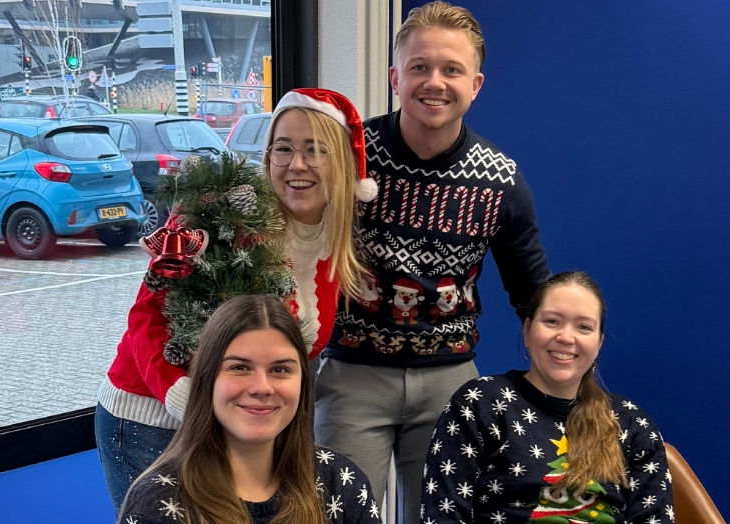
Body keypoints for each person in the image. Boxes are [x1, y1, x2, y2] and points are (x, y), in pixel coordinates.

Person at [315, 2, 551, 522]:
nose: (434, 82)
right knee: (337, 514)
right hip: (352, 374)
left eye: (452, 70)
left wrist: (560, 373)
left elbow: (532, 292)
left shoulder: (501, 179)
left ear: (476, 85)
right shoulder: (347, 156)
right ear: (395, 77)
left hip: (450, 378)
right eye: (419, 67)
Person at [96, 88, 376, 512]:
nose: (298, 164)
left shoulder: (335, 247)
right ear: (268, 157)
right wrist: (181, 393)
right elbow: (146, 317)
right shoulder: (220, 218)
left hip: (244, 429)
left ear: (341, 163)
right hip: (152, 418)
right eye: (284, 148)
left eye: (315, 150)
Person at [420, 271, 674, 524]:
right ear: (527, 330)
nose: (566, 337)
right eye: (552, 321)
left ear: (598, 344)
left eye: (584, 327)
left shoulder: (631, 424)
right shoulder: (479, 404)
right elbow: (443, 516)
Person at [118, 295, 382, 524]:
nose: (261, 387)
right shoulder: (157, 506)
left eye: (280, 369)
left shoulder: (341, 482)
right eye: (239, 367)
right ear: (207, 380)